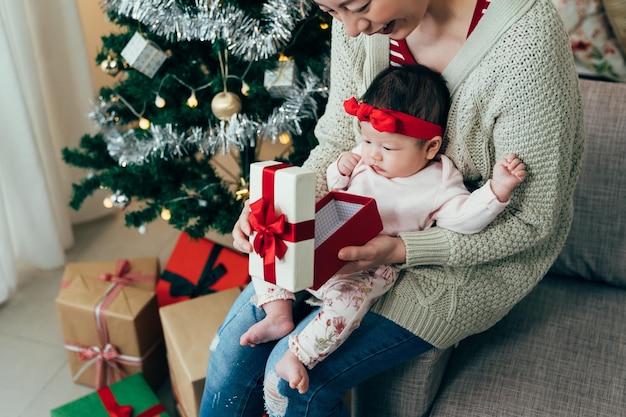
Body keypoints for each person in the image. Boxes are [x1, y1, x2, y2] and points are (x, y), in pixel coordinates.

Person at [199, 0, 584, 416]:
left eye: (357, 5)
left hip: (466, 261)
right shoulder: (364, 27)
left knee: (287, 382)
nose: (350, 29)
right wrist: (282, 208)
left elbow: (530, 220)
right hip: (357, 231)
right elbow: (335, 143)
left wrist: (401, 250)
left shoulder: (526, 38)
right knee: (229, 353)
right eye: (332, 12)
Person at [239, 64, 526, 395]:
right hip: (324, 243)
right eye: (366, 140)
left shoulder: (437, 182)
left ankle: (299, 353)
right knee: (268, 247)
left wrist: (497, 191)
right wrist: (338, 171)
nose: (372, 153)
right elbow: (334, 192)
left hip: (367, 268)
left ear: (431, 147)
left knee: (347, 306)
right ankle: (278, 313)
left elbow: (463, 218)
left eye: (387, 148)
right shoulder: (365, 155)